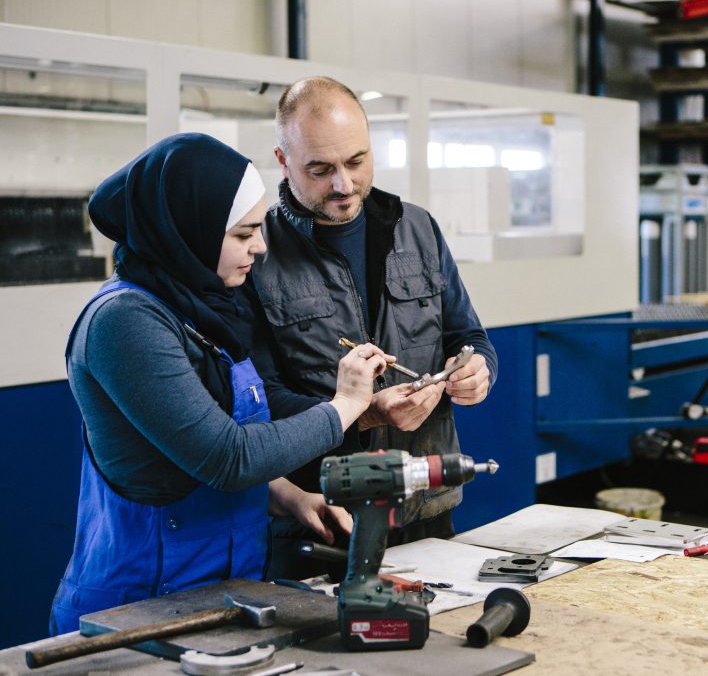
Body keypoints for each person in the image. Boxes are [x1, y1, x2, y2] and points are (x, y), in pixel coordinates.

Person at [50, 132, 391, 634]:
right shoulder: (124, 322)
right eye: (243, 233)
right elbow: (225, 457)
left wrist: (293, 498)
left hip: (225, 595)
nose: (261, 246)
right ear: (189, 229)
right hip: (137, 608)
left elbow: (224, 425)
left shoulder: (206, 306)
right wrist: (344, 406)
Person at [249, 76, 498, 563]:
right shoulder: (258, 254)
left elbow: (469, 336)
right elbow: (256, 402)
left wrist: (477, 371)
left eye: (356, 162)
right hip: (322, 520)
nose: (343, 185)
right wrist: (363, 412)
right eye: (320, 170)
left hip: (426, 510)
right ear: (282, 160)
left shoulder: (418, 227)